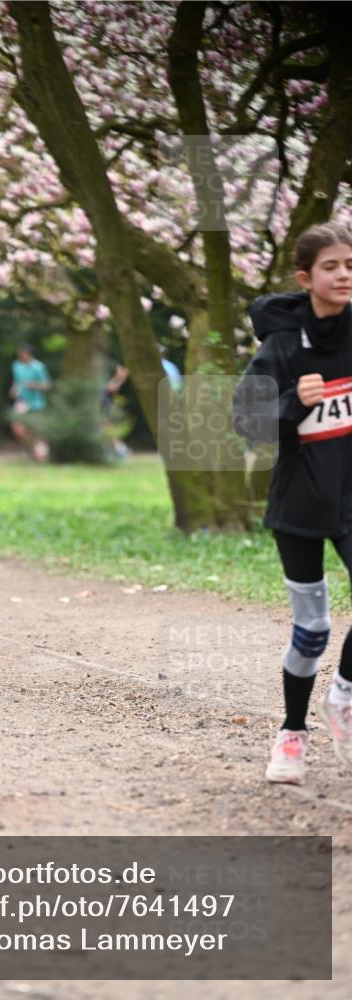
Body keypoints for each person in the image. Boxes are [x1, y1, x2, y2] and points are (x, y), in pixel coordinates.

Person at [234, 222, 352, 783]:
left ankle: (344, 696)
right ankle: (292, 733)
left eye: (351, 265)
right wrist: (291, 403)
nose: (344, 275)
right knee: (312, 631)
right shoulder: (282, 347)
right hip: (300, 504)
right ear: (306, 278)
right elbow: (245, 423)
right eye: (332, 267)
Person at [9, 343, 51, 461]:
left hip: (36, 403)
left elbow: (46, 385)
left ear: (29, 354)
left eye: (23, 353)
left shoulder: (38, 367)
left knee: (37, 431)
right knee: (17, 428)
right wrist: (13, 389)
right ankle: (32, 449)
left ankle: (40, 453)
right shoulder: (16, 366)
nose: (21, 355)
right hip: (21, 402)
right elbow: (17, 381)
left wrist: (33, 385)